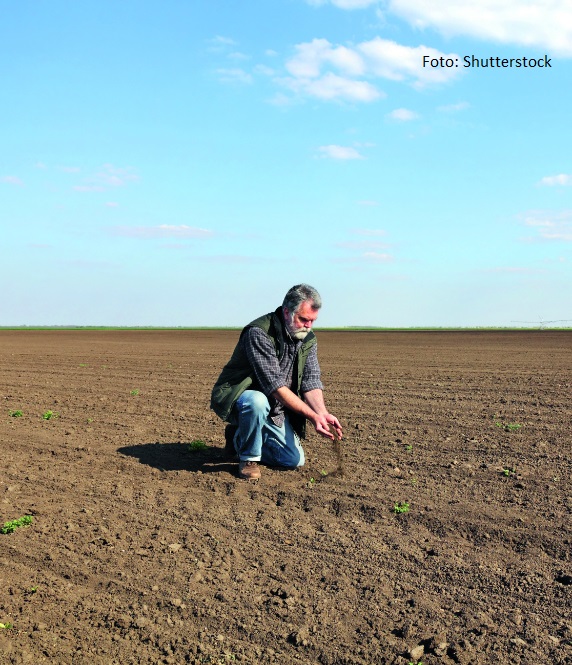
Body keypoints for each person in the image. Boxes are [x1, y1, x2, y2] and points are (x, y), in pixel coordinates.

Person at [210, 284, 343, 480]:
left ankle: (239, 437)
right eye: (304, 320)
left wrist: (322, 413)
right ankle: (248, 458)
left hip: (275, 407)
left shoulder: (307, 338)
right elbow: (274, 386)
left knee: (292, 461)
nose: (308, 326)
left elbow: (311, 380)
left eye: (312, 321)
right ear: (287, 312)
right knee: (257, 401)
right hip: (240, 397)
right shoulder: (259, 332)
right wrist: (312, 416)